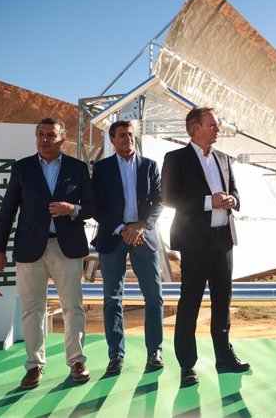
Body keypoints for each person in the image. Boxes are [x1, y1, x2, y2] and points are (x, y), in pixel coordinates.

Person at [0, 117, 93, 389]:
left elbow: (93, 206)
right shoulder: (22, 168)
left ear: (63, 138)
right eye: (41, 134)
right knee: (32, 309)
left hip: (67, 247)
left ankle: (77, 361)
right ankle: (34, 365)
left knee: (73, 307)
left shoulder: (78, 168)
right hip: (29, 249)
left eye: (50, 135)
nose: (44, 139)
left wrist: (73, 210)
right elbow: (7, 211)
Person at [162, 106, 249, 386]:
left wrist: (232, 200)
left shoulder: (224, 158)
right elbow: (169, 197)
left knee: (222, 301)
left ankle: (224, 358)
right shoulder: (175, 158)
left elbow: (234, 191)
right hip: (194, 242)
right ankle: (187, 365)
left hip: (223, 239)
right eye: (212, 124)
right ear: (195, 127)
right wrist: (207, 201)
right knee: (190, 303)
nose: (217, 129)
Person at [91, 120, 164, 375]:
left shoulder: (150, 166)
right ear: (112, 139)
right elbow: (96, 205)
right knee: (112, 298)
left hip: (143, 236)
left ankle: (155, 351)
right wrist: (122, 228)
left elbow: (159, 201)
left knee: (153, 296)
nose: (127, 139)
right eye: (122, 135)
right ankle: (116, 355)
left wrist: (141, 226)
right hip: (113, 236)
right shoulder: (101, 169)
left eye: (130, 135)